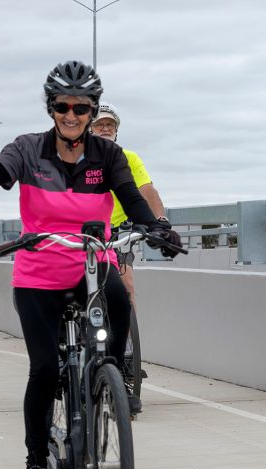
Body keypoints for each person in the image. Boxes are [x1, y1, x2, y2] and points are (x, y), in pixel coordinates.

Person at [0, 61, 182, 469]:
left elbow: (132, 200)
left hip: (92, 263)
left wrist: (159, 229)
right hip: (38, 272)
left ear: (93, 111)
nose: (71, 115)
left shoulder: (107, 155)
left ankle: (106, 381)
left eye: (81, 107)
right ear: (51, 109)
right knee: (42, 370)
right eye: (63, 106)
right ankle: (36, 462)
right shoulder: (27, 149)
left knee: (119, 302)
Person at [91, 102, 169, 414]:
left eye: (110, 124)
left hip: (120, 232)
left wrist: (160, 220)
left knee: (125, 287)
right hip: (86, 233)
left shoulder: (129, 159)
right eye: (99, 124)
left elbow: (148, 191)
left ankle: (124, 360)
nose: (105, 128)